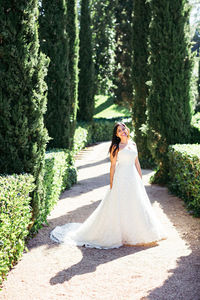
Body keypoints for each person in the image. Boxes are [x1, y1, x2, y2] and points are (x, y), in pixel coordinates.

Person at [50, 122, 166, 249]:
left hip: (133, 178)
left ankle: (139, 232)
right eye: (119, 131)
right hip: (121, 177)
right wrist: (112, 183)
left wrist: (140, 178)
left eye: (123, 129)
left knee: (135, 203)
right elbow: (112, 166)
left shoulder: (133, 144)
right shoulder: (116, 147)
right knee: (119, 204)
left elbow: (136, 162)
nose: (122, 131)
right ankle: (119, 234)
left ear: (126, 130)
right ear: (116, 134)